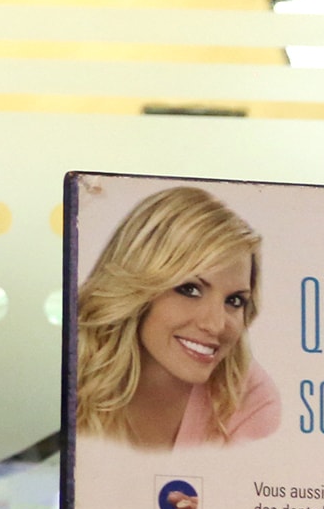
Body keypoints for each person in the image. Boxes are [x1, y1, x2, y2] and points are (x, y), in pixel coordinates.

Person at [74, 184, 281, 449]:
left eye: (234, 301)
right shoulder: (68, 374)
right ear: (136, 289)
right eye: (190, 290)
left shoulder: (251, 400)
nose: (216, 325)